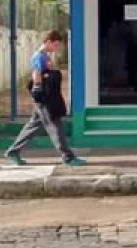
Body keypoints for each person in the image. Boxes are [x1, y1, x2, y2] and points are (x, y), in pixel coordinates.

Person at [5, 29, 86, 167]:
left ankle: (13, 152)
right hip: (45, 98)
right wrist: (38, 90)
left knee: (33, 125)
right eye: (55, 45)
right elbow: (36, 73)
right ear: (48, 42)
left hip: (45, 98)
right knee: (55, 124)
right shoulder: (39, 56)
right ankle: (68, 157)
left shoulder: (45, 55)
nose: (56, 48)